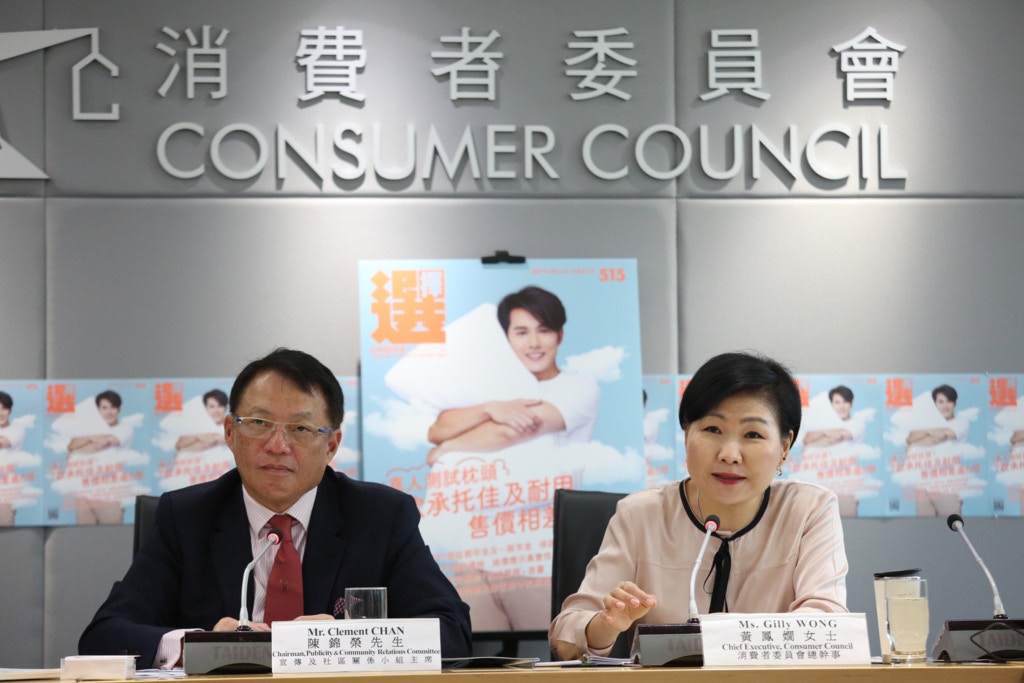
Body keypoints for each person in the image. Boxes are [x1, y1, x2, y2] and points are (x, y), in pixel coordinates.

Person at [79, 348, 472, 666]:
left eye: (301, 429)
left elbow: (451, 632)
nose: (278, 446)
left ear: (331, 445)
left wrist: (343, 640)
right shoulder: (186, 517)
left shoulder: (381, 516)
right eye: (259, 423)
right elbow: (104, 635)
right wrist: (196, 645)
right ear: (230, 432)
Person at [549, 352, 848, 660]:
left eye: (753, 434)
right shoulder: (640, 515)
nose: (729, 454)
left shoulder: (809, 510)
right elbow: (566, 639)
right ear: (686, 433)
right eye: (712, 430)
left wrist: (724, 634)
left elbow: (828, 624)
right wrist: (606, 624)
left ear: (784, 447)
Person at [425, 285, 600, 464]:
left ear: (559, 336)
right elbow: (436, 432)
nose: (534, 343)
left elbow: (507, 432)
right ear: (506, 339)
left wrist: (447, 447)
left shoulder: (580, 386)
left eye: (544, 331)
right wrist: (489, 409)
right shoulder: (493, 384)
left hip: (546, 483)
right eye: (522, 333)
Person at [67, 390, 134, 524]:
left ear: (119, 409)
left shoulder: (124, 429)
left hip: (109, 494)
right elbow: (71, 446)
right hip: (83, 491)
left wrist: (83, 444)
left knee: (112, 534)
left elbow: (105, 442)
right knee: (82, 535)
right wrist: (91, 438)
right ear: (98, 410)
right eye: (104, 408)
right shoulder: (90, 429)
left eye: (113, 407)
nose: (109, 412)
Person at [0, 391, 26, 525]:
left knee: (6, 529)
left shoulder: (17, 430)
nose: (0, 413)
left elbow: (3, 442)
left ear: (10, 410)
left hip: (5, 490)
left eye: (4, 408)